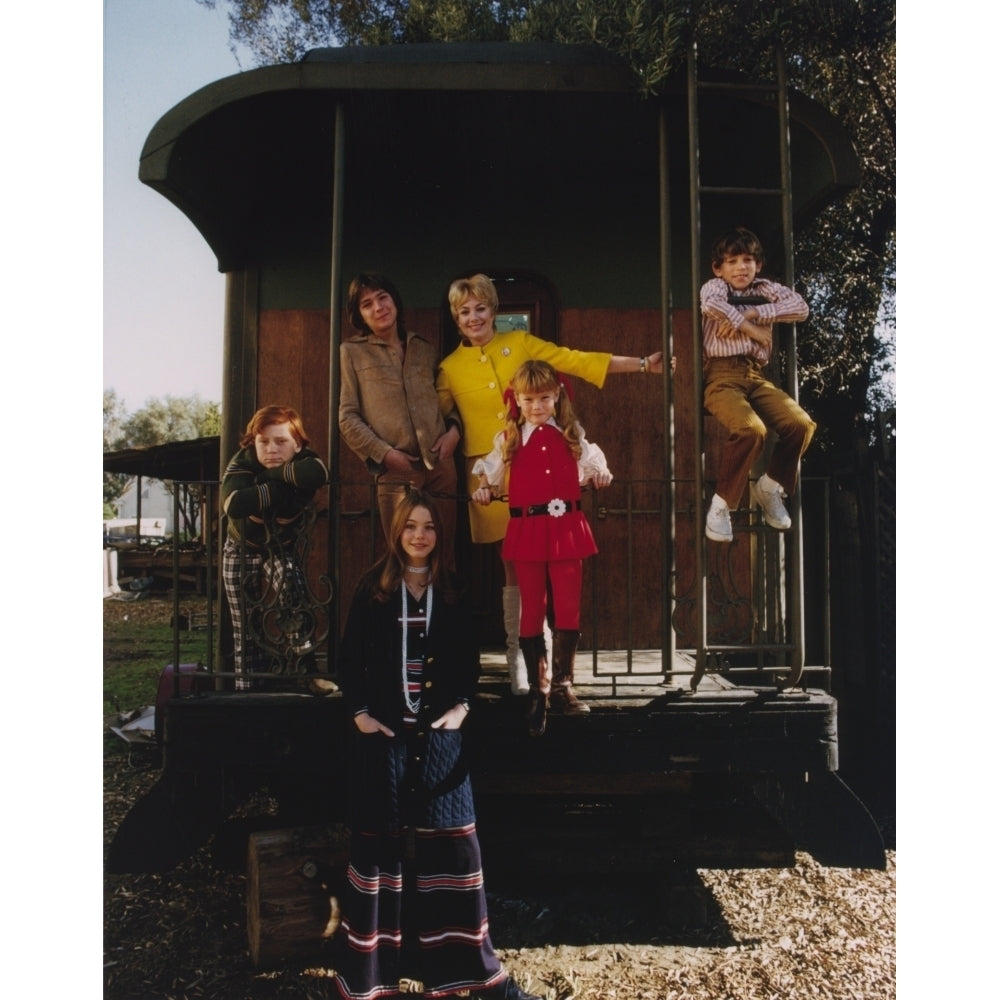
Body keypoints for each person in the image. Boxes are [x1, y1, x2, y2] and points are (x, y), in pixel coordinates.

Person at [332, 490, 541, 1000]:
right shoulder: (372, 589)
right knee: (377, 856)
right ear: (396, 532)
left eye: (428, 527)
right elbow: (347, 662)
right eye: (411, 526)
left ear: (438, 537)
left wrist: (463, 709)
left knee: (455, 853)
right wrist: (359, 714)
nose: (419, 535)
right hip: (383, 742)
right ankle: (366, 983)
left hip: (440, 743)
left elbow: (468, 667)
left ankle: (478, 979)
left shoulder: (452, 591)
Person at [436, 273, 663, 696]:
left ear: (494, 310)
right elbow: (442, 415)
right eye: (464, 311)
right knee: (514, 569)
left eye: (481, 308)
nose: (474, 317)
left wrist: (642, 364)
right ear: (455, 317)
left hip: (543, 473)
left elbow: (574, 360)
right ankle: (518, 660)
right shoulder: (448, 368)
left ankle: (548, 671)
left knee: (547, 569)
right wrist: (447, 435)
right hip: (494, 473)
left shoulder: (521, 343)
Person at [472, 362, 612, 737]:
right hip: (528, 530)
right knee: (532, 608)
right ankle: (539, 689)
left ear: (557, 397)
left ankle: (564, 685)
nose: (537, 405)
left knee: (568, 606)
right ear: (517, 400)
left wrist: (599, 473)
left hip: (567, 529)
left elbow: (592, 461)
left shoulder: (571, 434)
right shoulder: (510, 438)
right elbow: (489, 472)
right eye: (529, 398)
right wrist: (485, 487)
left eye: (545, 397)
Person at [700, 227, 815, 543]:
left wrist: (755, 310)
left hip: (755, 376)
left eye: (748, 260)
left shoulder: (766, 288)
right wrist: (751, 328)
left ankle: (769, 486)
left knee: (801, 424)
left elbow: (801, 308)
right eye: (732, 260)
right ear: (718, 267)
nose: (740, 267)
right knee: (752, 430)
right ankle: (721, 505)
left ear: (758, 264)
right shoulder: (716, 286)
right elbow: (711, 306)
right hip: (722, 377)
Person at [340, 273, 461, 569]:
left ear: (394, 301)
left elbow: (448, 400)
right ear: (359, 315)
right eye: (367, 304)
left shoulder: (424, 348)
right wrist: (386, 455)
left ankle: (442, 613)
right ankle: (408, 614)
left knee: (444, 553)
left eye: (383, 297)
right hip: (396, 473)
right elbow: (347, 417)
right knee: (405, 555)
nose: (378, 307)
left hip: (441, 467)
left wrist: (454, 431)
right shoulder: (352, 352)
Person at [221, 405, 329, 690]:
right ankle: (248, 689)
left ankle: (305, 677)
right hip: (241, 547)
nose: (271, 449)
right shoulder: (243, 460)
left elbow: (318, 473)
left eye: (281, 441)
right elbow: (234, 504)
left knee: (293, 598)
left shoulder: (307, 460)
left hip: (280, 547)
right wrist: (284, 480)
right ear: (252, 443)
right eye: (263, 441)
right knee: (244, 623)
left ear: (298, 444)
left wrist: (266, 479)